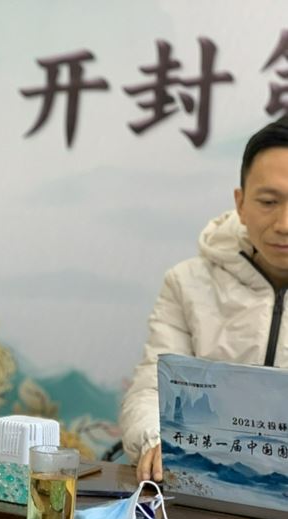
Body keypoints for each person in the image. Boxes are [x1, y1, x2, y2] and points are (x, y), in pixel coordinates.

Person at [121, 118, 288, 482]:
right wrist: (157, 440)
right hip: (205, 482)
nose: (284, 224)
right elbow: (152, 388)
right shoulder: (187, 284)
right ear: (240, 203)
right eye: (268, 202)